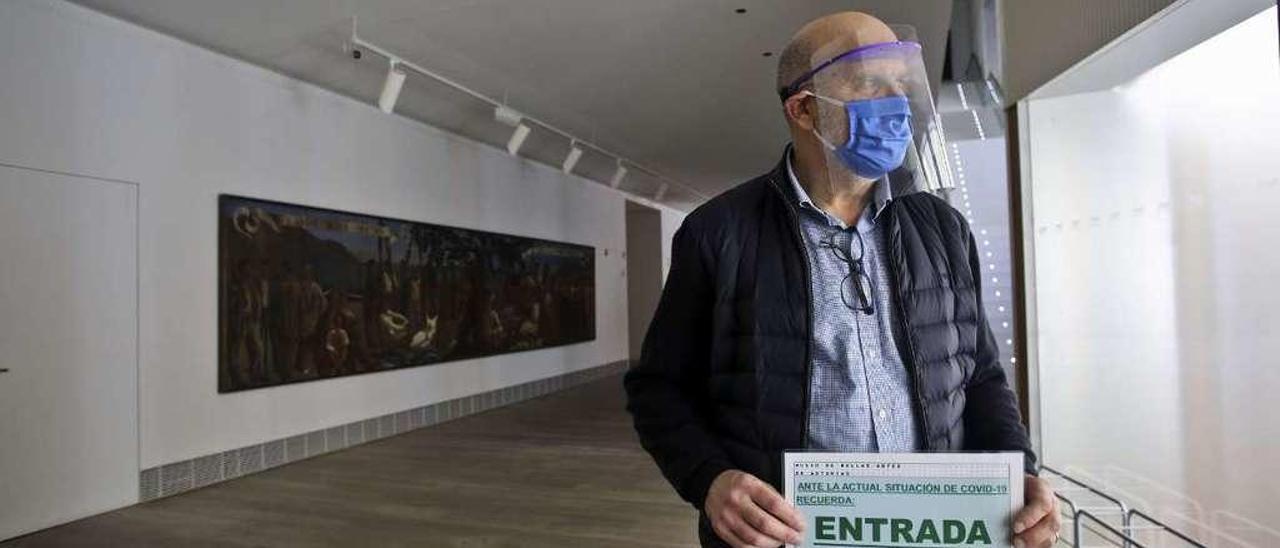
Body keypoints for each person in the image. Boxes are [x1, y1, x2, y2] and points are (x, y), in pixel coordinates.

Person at [623, 12, 1060, 548]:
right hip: (782, 537)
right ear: (804, 109)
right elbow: (658, 389)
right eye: (871, 84)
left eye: (901, 83)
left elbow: (981, 377)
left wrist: (1020, 474)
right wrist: (709, 480)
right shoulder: (719, 234)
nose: (896, 102)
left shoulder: (943, 230)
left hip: (933, 530)